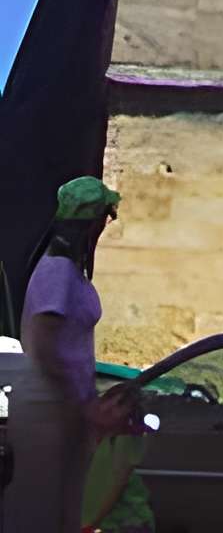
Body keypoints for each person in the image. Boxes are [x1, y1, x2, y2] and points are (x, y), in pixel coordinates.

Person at [13, 177, 121, 533]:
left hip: (63, 405)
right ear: (90, 222)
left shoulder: (68, 269)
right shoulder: (57, 271)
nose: (108, 224)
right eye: (106, 216)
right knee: (43, 509)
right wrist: (77, 400)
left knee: (68, 507)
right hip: (48, 405)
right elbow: (44, 347)